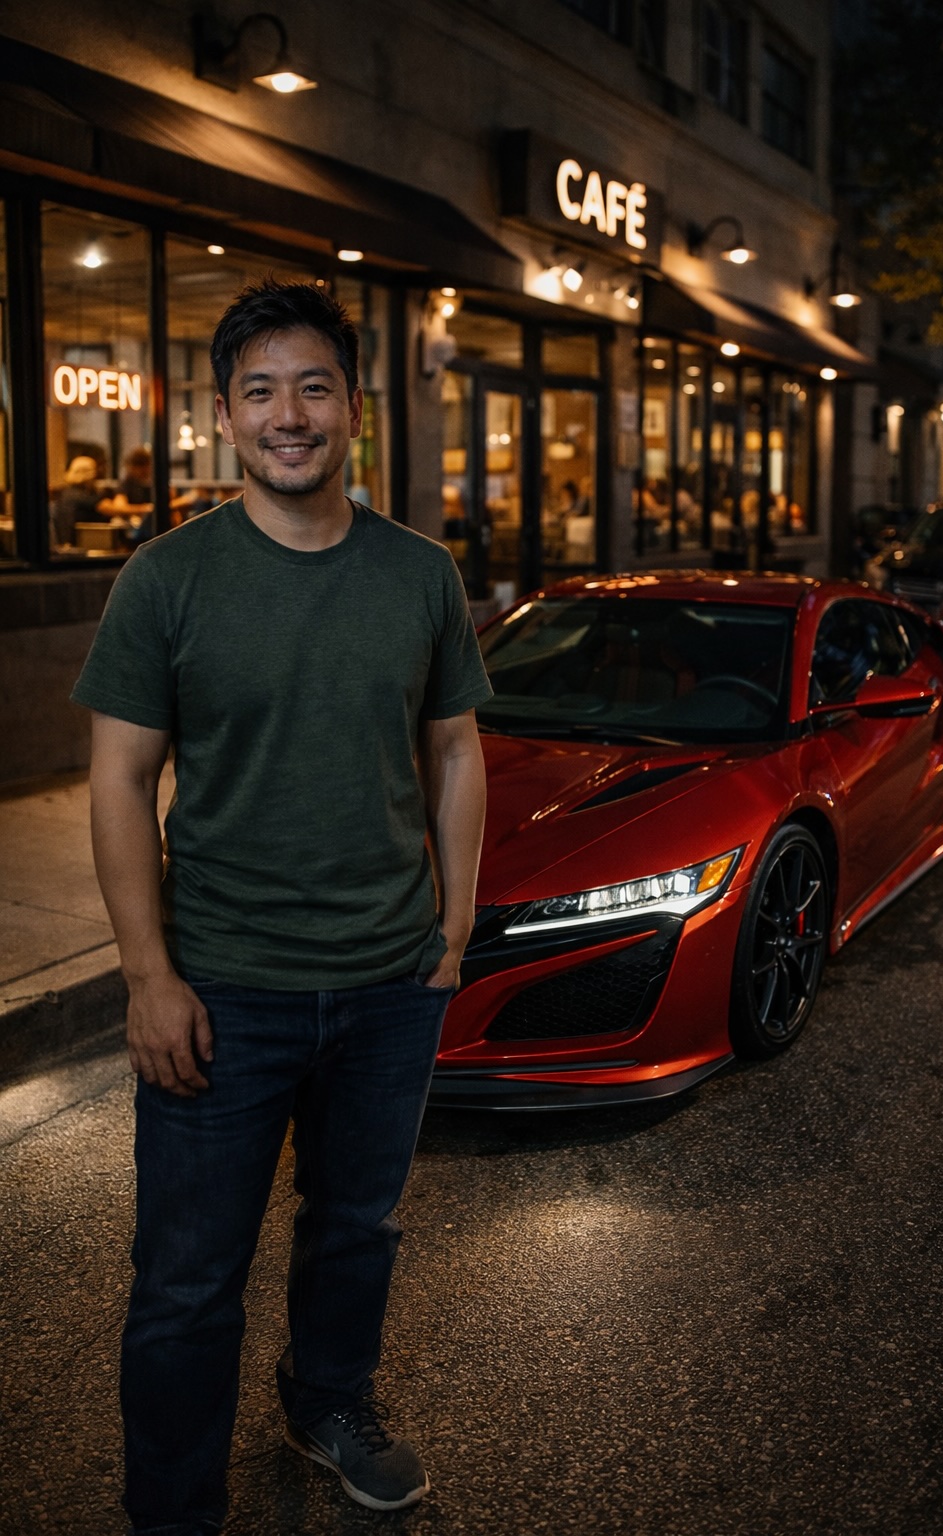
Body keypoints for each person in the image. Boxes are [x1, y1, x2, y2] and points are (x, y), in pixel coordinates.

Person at [71, 278, 491, 1535]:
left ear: (354, 409)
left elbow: (456, 749)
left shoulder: (419, 574)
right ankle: (174, 1511)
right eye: (261, 391)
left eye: (313, 387)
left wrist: (455, 924)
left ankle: (328, 1402)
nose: (288, 414)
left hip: (387, 982)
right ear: (224, 416)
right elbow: (120, 777)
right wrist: (148, 976)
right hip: (224, 988)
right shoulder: (168, 579)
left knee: (357, 1226)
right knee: (188, 1285)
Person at [51, 454, 99, 547]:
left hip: (70, 543)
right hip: (75, 545)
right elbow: (105, 507)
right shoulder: (77, 494)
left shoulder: (67, 492)